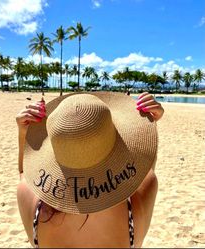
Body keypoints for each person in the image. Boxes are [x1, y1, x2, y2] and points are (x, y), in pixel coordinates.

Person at [16, 92, 164, 248]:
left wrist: (23, 134)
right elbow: (144, 170)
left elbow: (23, 174)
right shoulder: (141, 199)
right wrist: (150, 124)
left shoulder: (28, 198)